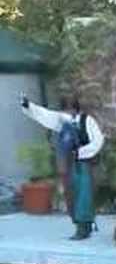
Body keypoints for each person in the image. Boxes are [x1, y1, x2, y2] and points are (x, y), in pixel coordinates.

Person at [22, 95, 104, 240]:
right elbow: (46, 116)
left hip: (85, 164)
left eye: (69, 109)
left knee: (84, 195)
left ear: (75, 109)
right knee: (71, 194)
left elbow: (98, 140)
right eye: (64, 110)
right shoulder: (63, 120)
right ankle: (81, 224)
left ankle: (84, 227)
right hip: (70, 163)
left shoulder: (87, 121)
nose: (65, 113)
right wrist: (29, 106)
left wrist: (81, 152)